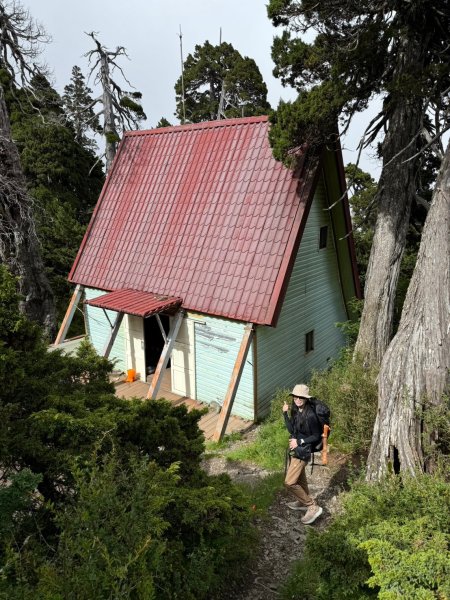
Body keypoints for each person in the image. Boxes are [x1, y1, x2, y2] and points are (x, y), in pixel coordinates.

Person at [283, 384, 323, 524]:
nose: (297, 399)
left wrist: (299, 442)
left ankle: (311, 506)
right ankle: (302, 502)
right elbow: (291, 429)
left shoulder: (310, 415)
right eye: (295, 396)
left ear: (306, 399)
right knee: (300, 479)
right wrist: (285, 414)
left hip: (303, 451)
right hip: (297, 450)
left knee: (289, 482)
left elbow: (316, 436)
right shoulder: (297, 411)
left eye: (301, 397)